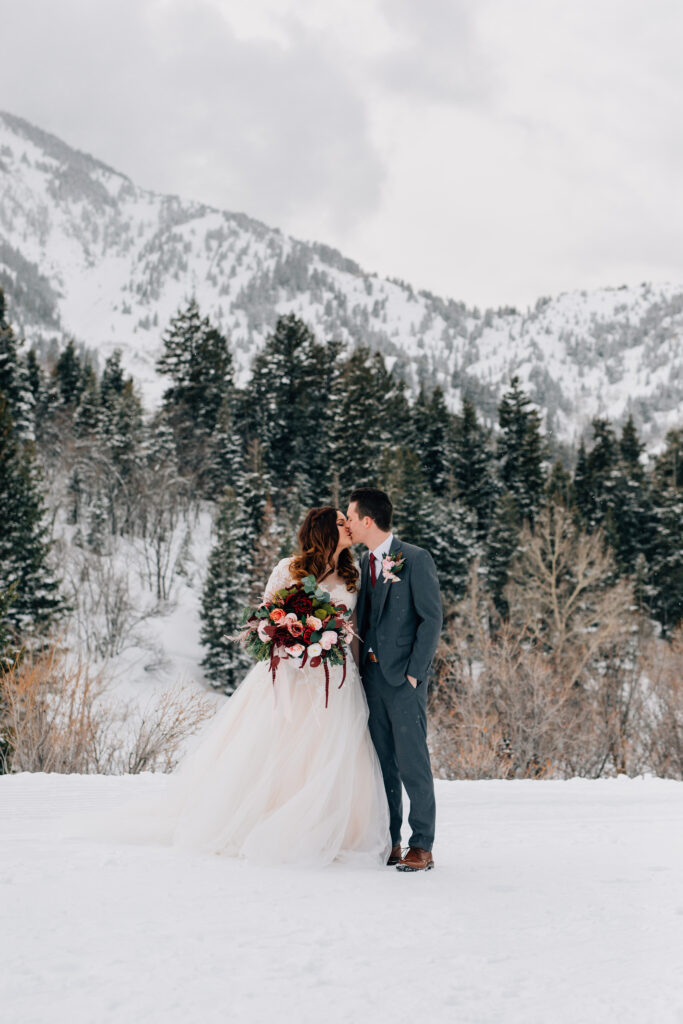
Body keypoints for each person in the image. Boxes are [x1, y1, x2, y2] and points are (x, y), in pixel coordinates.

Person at [82, 507, 390, 868]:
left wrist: (356, 669)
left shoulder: (351, 576)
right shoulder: (289, 569)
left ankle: (337, 828)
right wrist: (290, 643)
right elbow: (269, 618)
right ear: (323, 531)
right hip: (289, 676)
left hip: (333, 679)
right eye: (340, 522)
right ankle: (270, 820)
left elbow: (352, 631)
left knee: (334, 751)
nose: (348, 526)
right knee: (280, 748)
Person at [346, 487, 442, 872]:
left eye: (350, 517)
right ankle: (391, 841)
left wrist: (415, 675)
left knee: (412, 762)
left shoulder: (415, 559)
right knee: (382, 763)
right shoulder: (361, 565)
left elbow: (431, 619)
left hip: (403, 681)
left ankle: (422, 844)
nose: (348, 524)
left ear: (367, 520)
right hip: (370, 679)